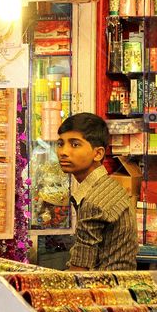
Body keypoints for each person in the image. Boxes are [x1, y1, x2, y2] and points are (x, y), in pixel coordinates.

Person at [56, 113, 138, 271]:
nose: (63, 152)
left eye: (75, 144)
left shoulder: (94, 202)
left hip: (105, 289)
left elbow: (80, 270)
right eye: (61, 143)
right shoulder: (105, 186)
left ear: (98, 153)